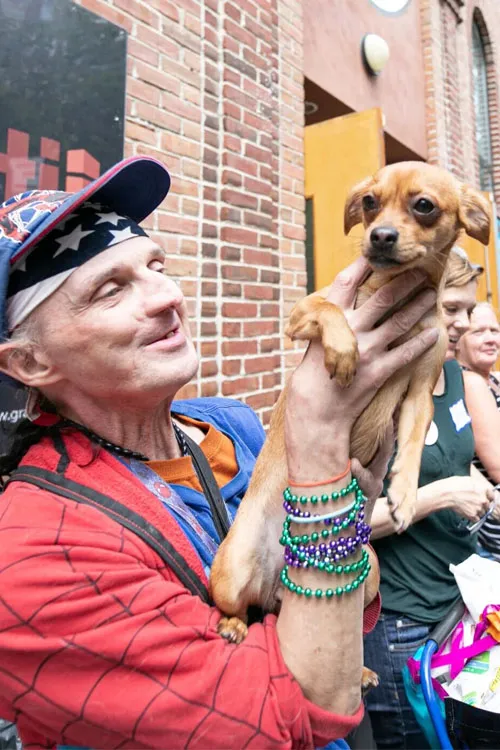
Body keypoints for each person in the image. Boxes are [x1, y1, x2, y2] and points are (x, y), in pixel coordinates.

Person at [0, 157, 440, 750]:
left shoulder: (231, 427)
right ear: (29, 362)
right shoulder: (30, 555)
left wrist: (347, 504)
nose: (168, 296)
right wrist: (317, 450)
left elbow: (348, 620)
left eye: (157, 266)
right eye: (111, 290)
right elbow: (301, 711)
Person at [364, 248, 497, 750]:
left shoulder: (454, 378)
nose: (463, 323)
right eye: (451, 308)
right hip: (402, 623)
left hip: (459, 607)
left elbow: (453, 461)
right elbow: (341, 526)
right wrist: (441, 495)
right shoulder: (375, 393)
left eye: (470, 309)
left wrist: (475, 486)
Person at [458, 301, 500, 559]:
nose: (490, 339)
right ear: (458, 340)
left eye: (494, 330)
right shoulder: (470, 382)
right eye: (478, 332)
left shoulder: (491, 380)